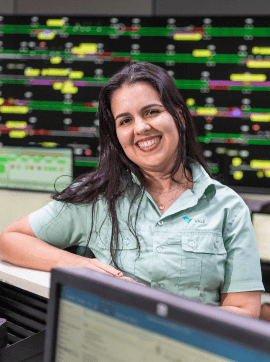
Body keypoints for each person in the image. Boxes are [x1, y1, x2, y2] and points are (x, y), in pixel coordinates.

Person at [0, 62, 264, 318]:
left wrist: (163, 318)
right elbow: (10, 240)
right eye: (125, 120)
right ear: (116, 135)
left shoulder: (228, 207)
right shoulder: (98, 197)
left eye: (151, 112)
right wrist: (82, 266)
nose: (141, 128)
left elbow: (244, 310)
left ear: (179, 116)